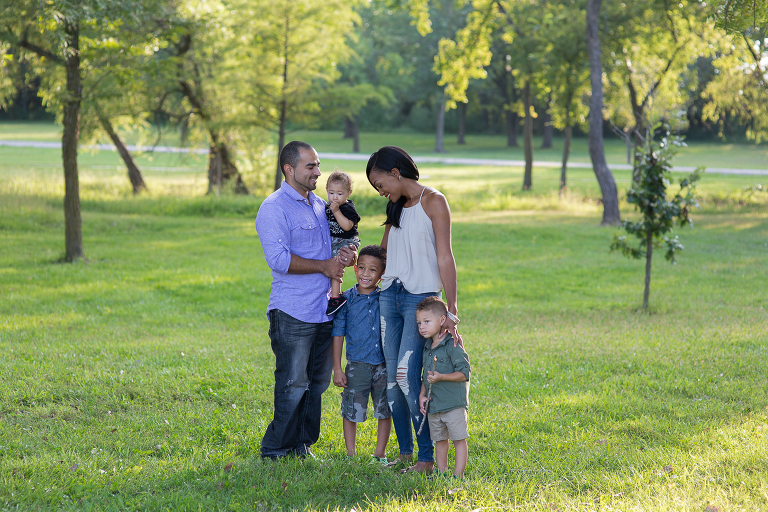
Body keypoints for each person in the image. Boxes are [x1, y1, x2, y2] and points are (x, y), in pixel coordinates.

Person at [255, 140, 357, 460]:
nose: (318, 171)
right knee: (292, 383)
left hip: (325, 310)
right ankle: (275, 449)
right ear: (290, 169)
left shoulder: (321, 205)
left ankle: (301, 445)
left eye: (317, 164)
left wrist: (346, 254)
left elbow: (334, 245)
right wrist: (324, 266)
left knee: (317, 384)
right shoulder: (273, 208)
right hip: (293, 310)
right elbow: (279, 260)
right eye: (310, 166)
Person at [365, 146, 462, 474]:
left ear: (396, 172)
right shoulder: (395, 210)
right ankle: (406, 453)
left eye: (381, 184)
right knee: (393, 381)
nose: (382, 192)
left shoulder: (433, 201)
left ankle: (426, 458)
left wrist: (450, 311)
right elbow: (384, 255)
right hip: (388, 298)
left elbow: (445, 257)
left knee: (407, 378)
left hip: (418, 301)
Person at [331, 245, 391, 463]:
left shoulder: (385, 298)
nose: (366, 274)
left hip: (383, 365)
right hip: (357, 366)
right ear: (355, 269)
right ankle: (351, 454)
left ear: (382, 274)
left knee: (385, 409)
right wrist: (337, 368)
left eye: (373, 270)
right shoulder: (346, 300)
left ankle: (380, 454)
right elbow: (338, 333)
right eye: (362, 268)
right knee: (351, 410)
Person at [416, 296, 470, 479]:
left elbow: (464, 373)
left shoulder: (451, 345)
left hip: (453, 403)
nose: (422, 326)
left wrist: (441, 377)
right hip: (435, 404)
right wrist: (422, 395)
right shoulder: (427, 347)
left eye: (426, 321)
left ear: (441, 320)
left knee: (458, 439)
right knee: (439, 439)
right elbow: (426, 375)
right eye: (419, 323)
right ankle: (441, 471)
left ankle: (458, 475)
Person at [325, 170, 362, 316]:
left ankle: (336, 298)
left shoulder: (347, 208)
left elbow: (347, 226)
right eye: (331, 193)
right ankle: (331, 294)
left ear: (349, 193)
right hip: (334, 240)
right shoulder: (328, 206)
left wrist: (336, 211)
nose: (334, 197)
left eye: (339, 194)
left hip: (346, 241)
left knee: (336, 266)